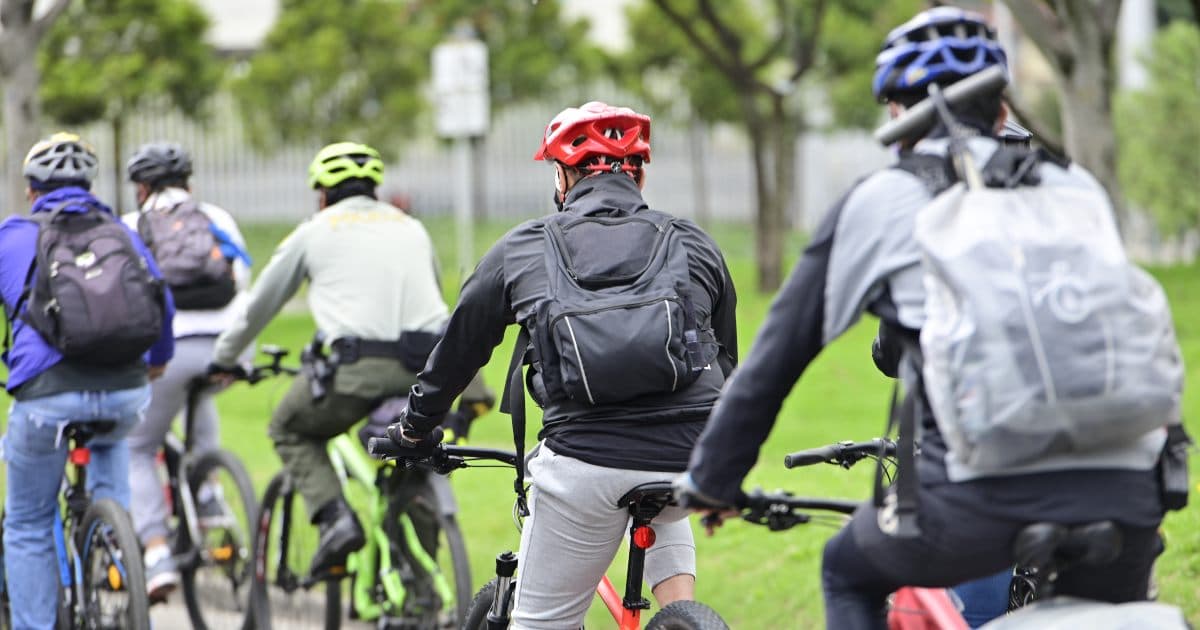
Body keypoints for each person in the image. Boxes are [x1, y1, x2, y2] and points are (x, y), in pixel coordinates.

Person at [676, 7, 1178, 629]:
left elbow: (774, 361)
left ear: (897, 111)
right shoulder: (1077, 189)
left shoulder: (882, 199)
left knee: (844, 568)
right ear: (1002, 107)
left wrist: (712, 478)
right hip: (1130, 490)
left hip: (974, 502)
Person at [387, 101, 739, 629]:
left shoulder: (524, 246)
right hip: (691, 456)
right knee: (664, 491)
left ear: (562, 176)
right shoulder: (691, 241)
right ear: (639, 174)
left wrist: (415, 429)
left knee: (539, 622)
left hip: (585, 462)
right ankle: (682, 618)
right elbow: (727, 362)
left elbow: (459, 352)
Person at [207, 142, 489, 576]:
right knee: (412, 454)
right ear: (374, 189)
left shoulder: (315, 230)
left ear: (322, 194)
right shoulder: (412, 227)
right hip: (428, 374)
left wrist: (223, 358)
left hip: (355, 373)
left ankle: (336, 520)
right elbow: (433, 300)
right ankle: (421, 588)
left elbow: (259, 305)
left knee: (288, 426)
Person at [0, 132, 175, 630]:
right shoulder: (122, 232)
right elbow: (161, 299)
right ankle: (110, 542)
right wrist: (156, 361)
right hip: (125, 390)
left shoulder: (13, 234)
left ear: (32, 190)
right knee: (112, 448)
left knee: (30, 521)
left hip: (46, 395)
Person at [120, 142, 253, 601]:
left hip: (169, 352)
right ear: (188, 183)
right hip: (223, 348)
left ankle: (155, 553)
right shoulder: (217, 218)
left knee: (138, 446)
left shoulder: (131, 225)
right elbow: (243, 285)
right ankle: (211, 494)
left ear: (141, 188)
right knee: (199, 402)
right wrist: (239, 354)